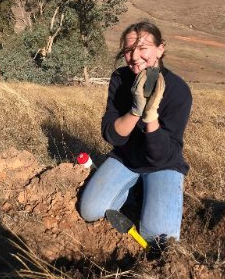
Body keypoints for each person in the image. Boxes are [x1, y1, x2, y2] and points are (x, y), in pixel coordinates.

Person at [79, 21, 192, 247]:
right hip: (126, 158)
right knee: (90, 211)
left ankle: (149, 190)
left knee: (159, 241)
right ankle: (134, 191)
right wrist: (136, 110)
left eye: (143, 48)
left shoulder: (179, 90)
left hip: (164, 164)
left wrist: (150, 116)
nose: (134, 56)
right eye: (129, 50)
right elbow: (113, 136)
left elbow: (161, 156)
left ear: (160, 49)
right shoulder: (120, 79)